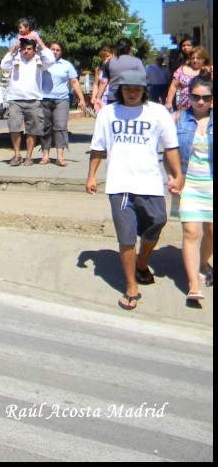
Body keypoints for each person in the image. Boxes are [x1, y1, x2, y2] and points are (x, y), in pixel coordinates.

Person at [85, 69, 184, 311]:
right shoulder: (108, 113)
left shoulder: (158, 112)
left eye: (136, 89)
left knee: (159, 220)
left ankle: (142, 261)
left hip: (150, 181)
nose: (131, 93)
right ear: (120, 90)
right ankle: (131, 286)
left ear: (144, 90)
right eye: (127, 88)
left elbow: (170, 147)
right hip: (120, 184)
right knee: (127, 237)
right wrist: (91, 176)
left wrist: (178, 175)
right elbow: (98, 148)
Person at [172, 75, 213, 302]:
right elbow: (169, 152)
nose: (200, 102)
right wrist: (173, 176)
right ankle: (193, 283)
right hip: (189, 184)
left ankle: (203, 263)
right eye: (195, 96)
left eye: (205, 98)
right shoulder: (177, 119)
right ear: (188, 96)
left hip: (211, 184)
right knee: (191, 232)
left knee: (212, 233)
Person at [1, 33, 55, 166]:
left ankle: (29, 156)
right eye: (23, 48)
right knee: (14, 127)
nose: (26, 51)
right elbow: (3, 65)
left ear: (34, 49)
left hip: (33, 100)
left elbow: (51, 59)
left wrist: (40, 42)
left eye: (29, 48)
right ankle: (17, 154)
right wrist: (13, 49)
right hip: (15, 100)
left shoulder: (39, 60)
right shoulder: (15, 59)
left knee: (33, 130)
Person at [38, 40, 88, 166]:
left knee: (60, 127)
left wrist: (82, 99)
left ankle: (60, 157)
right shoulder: (41, 63)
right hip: (44, 100)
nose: (54, 52)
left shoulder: (67, 65)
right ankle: (45, 156)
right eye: (52, 49)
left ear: (61, 52)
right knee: (45, 128)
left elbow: (74, 82)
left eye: (57, 50)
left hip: (62, 100)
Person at [96, 38, 146, 108]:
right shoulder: (137, 61)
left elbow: (103, 82)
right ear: (130, 48)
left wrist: (98, 98)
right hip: (130, 97)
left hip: (113, 97)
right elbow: (143, 79)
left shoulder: (109, 62)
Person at [166, 45, 211, 116]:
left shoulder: (210, 70)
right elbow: (173, 86)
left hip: (205, 107)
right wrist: (168, 102)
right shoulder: (181, 70)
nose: (195, 60)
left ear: (204, 59)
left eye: (198, 58)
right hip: (185, 107)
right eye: (193, 58)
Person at [90, 45, 114, 113]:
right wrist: (94, 96)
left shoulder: (116, 67)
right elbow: (95, 84)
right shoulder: (99, 69)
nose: (105, 59)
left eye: (107, 56)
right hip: (102, 97)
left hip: (112, 96)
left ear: (113, 55)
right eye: (103, 57)